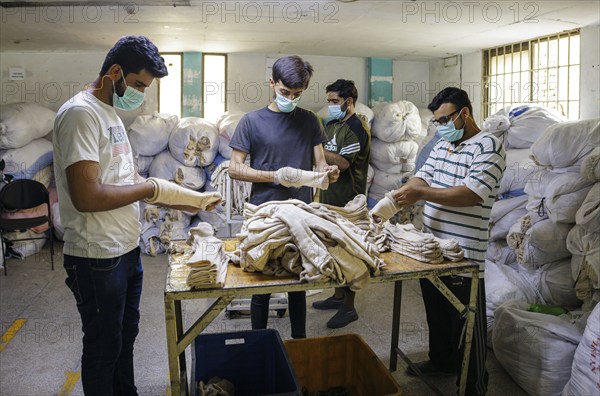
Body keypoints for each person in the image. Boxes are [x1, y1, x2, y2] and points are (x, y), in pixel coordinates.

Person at [53, 36, 220, 396]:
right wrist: (150, 192)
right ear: (115, 72)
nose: (141, 94)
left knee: (125, 335)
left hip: (125, 250)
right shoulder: (80, 115)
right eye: (140, 85)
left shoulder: (109, 113)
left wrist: (189, 201)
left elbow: (133, 179)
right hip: (97, 256)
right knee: (103, 345)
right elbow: (86, 195)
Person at [374, 87, 505, 396]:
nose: (441, 126)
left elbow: (472, 193)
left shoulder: (489, 145)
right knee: (437, 312)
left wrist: (421, 194)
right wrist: (407, 192)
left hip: (464, 252)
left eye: (445, 119)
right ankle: (441, 360)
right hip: (432, 248)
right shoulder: (443, 145)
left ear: (465, 114)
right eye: (436, 121)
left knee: (465, 321)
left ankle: (474, 383)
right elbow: (424, 176)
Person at [228, 55, 339, 339]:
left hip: (301, 212)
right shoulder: (251, 122)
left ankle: (299, 343)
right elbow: (235, 168)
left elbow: (319, 163)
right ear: (272, 84)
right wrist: (275, 176)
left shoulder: (309, 121)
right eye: (285, 92)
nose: (291, 98)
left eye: (297, 94)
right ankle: (258, 344)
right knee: (261, 285)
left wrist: (328, 173)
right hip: (264, 214)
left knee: (297, 284)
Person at [311, 79, 371, 329]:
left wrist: (316, 151)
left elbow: (344, 163)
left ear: (349, 101)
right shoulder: (333, 124)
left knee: (348, 252)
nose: (331, 106)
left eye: (335, 101)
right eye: (329, 101)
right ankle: (337, 296)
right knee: (332, 248)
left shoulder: (357, 128)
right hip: (328, 198)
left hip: (348, 201)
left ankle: (348, 308)